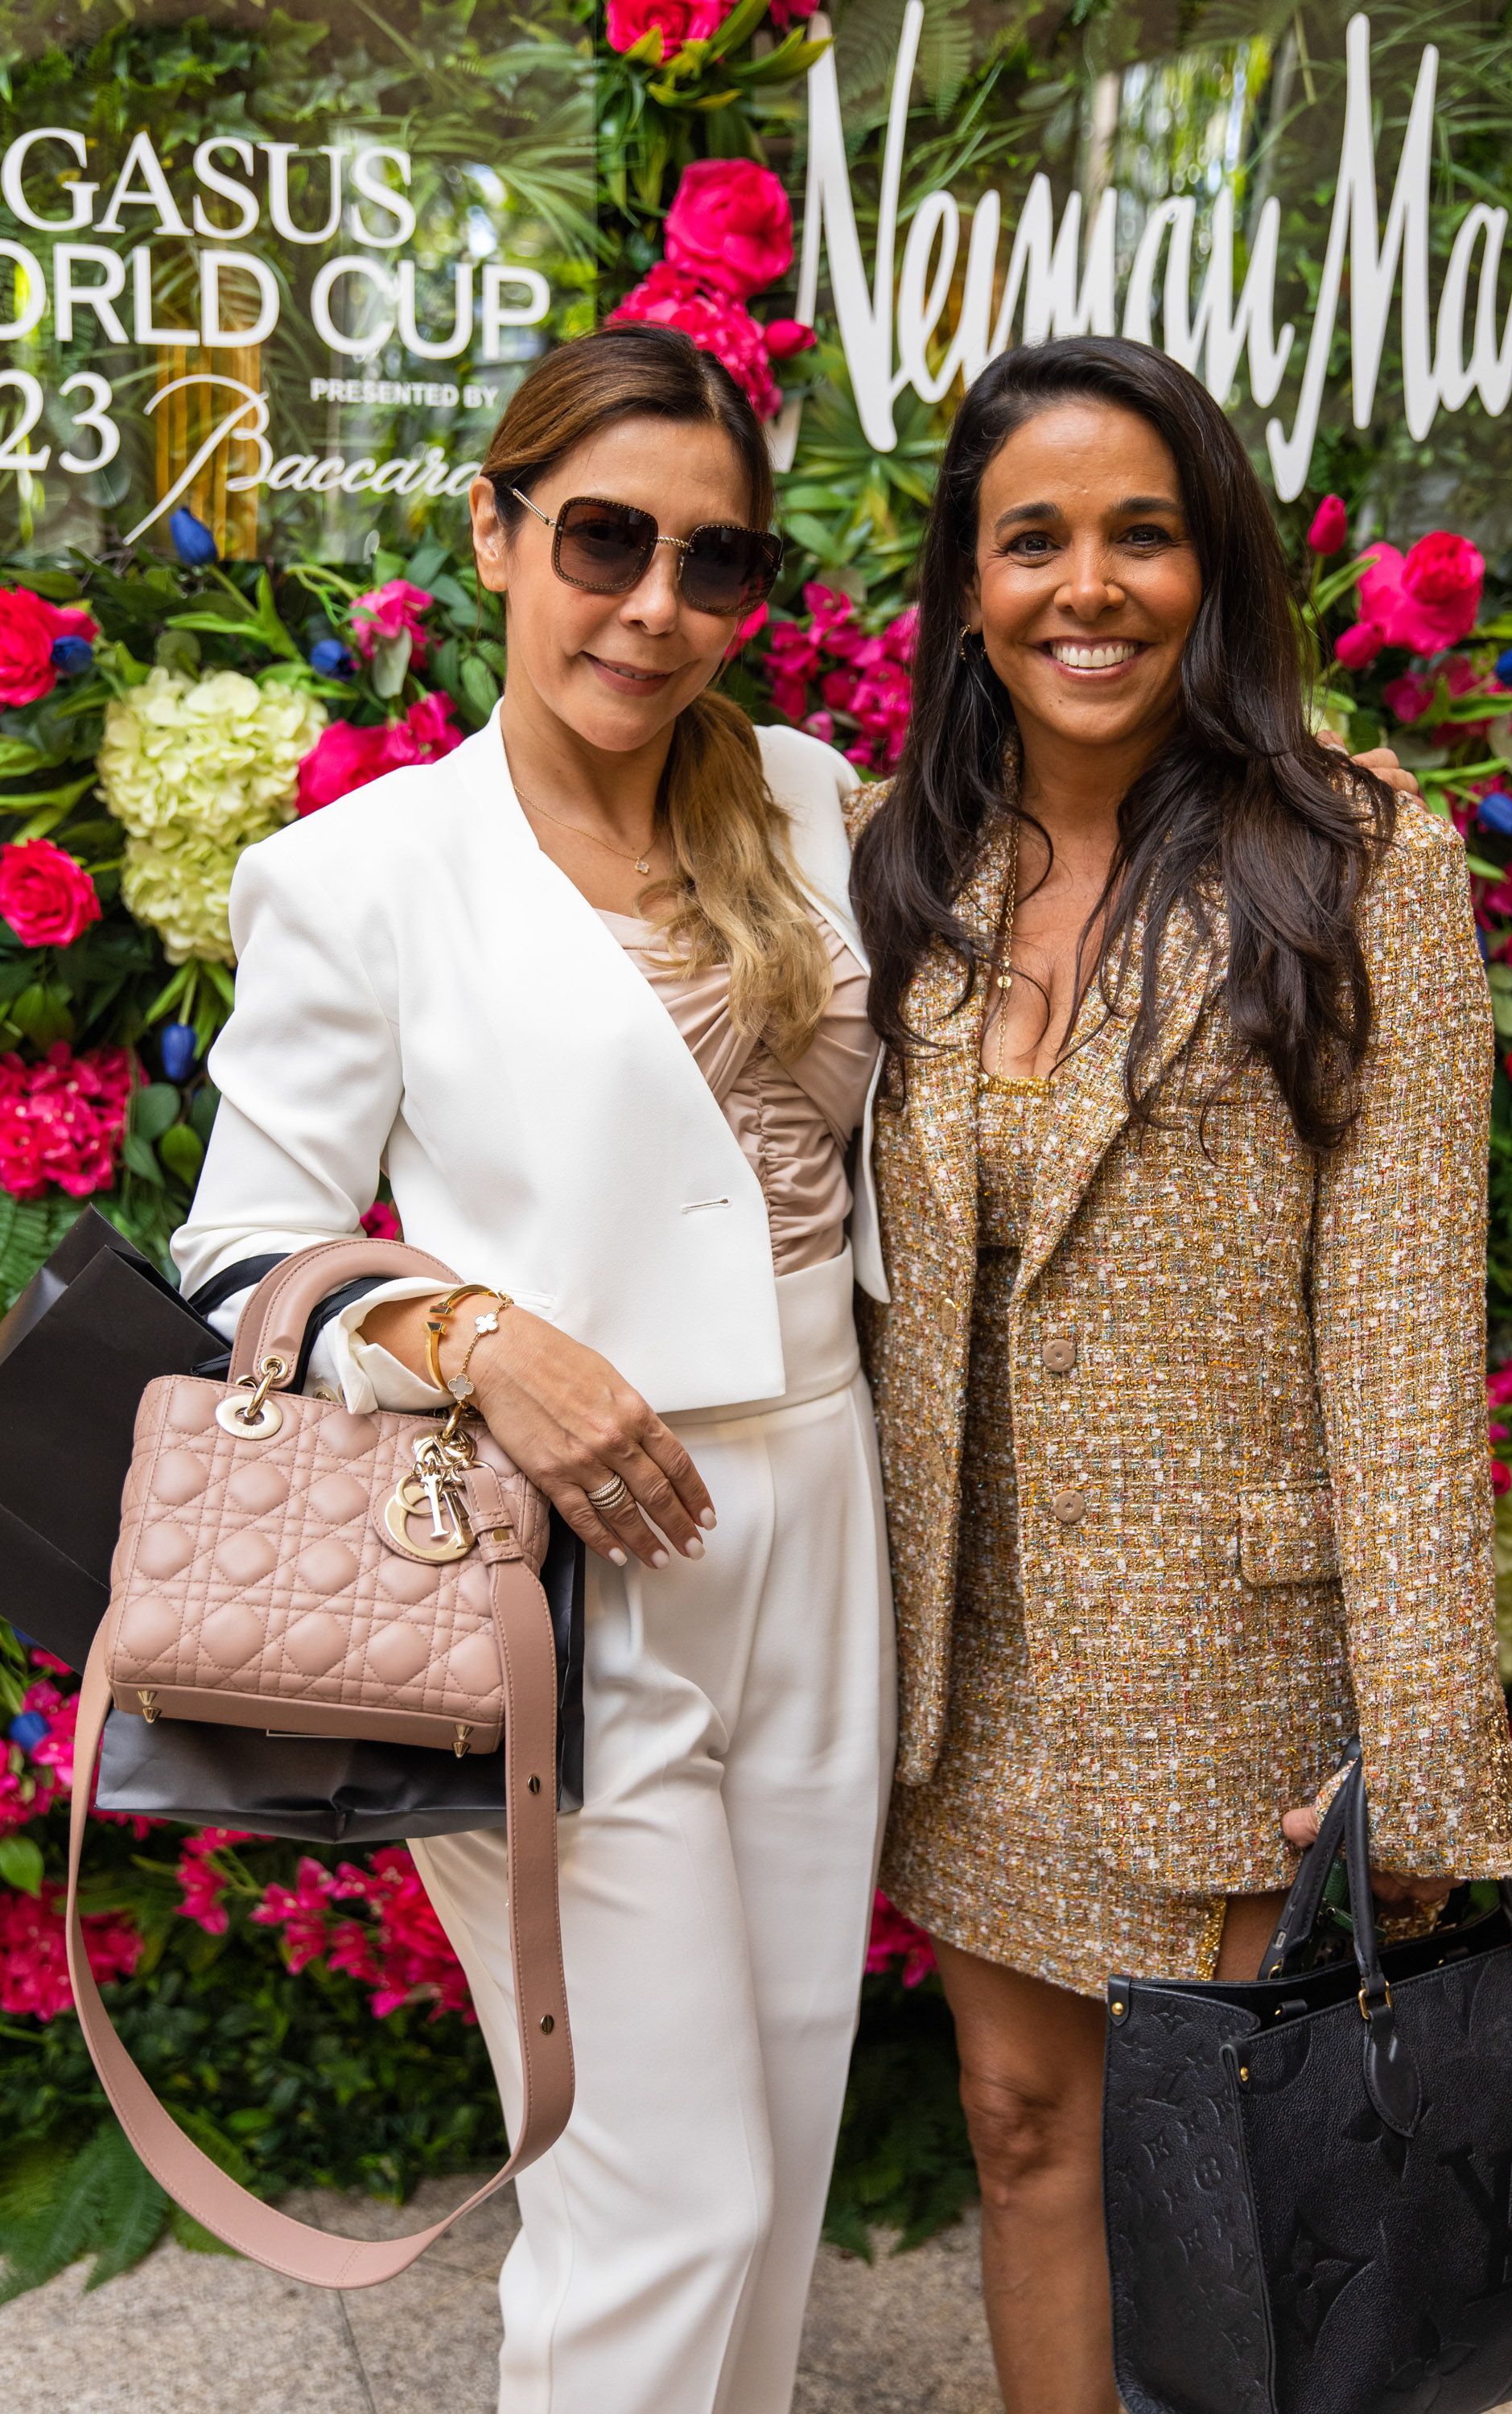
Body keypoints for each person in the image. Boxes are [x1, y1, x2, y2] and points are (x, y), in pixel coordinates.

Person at [171, 322, 895, 2414]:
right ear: (492, 530)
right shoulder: (360, 876)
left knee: (773, 2148)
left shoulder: (803, 795)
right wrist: (476, 1339)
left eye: (715, 561)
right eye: (600, 539)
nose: (656, 607)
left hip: (820, 1522)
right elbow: (241, 1263)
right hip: (542, 1567)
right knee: (654, 2198)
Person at [849, 335, 1512, 2414]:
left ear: (1209, 559)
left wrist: (1413, 1745)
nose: (1087, 585)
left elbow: (1406, 1328)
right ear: (965, 583)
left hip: (1230, 1675)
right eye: (1029, 537)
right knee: (1023, 2135)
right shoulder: (910, 859)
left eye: (1140, 533)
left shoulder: (1351, 853)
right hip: (977, 1673)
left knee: (1244, 2192)